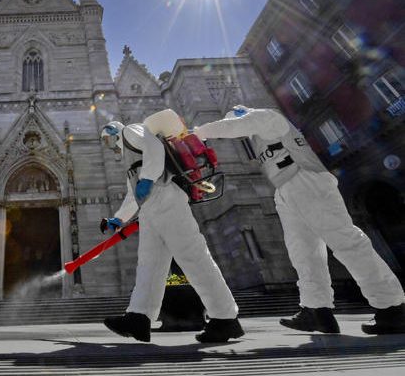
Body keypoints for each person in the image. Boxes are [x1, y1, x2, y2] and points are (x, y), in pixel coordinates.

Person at [194, 106, 405, 334]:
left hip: (305, 180)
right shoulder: (257, 137)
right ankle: (317, 311)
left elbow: (236, 126)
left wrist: (198, 132)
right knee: (303, 253)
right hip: (287, 189)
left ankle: (391, 306)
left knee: (346, 242)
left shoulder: (267, 117)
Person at [100, 109, 244, 343]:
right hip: (150, 208)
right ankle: (139, 318)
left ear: (113, 131)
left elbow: (155, 148)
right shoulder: (131, 160)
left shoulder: (129, 132)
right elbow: (132, 195)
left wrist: (147, 179)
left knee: (194, 257)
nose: (109, 145)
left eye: (107, 139)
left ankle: (226, 318)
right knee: (149, 264)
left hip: (166, 198)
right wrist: (119, 218)